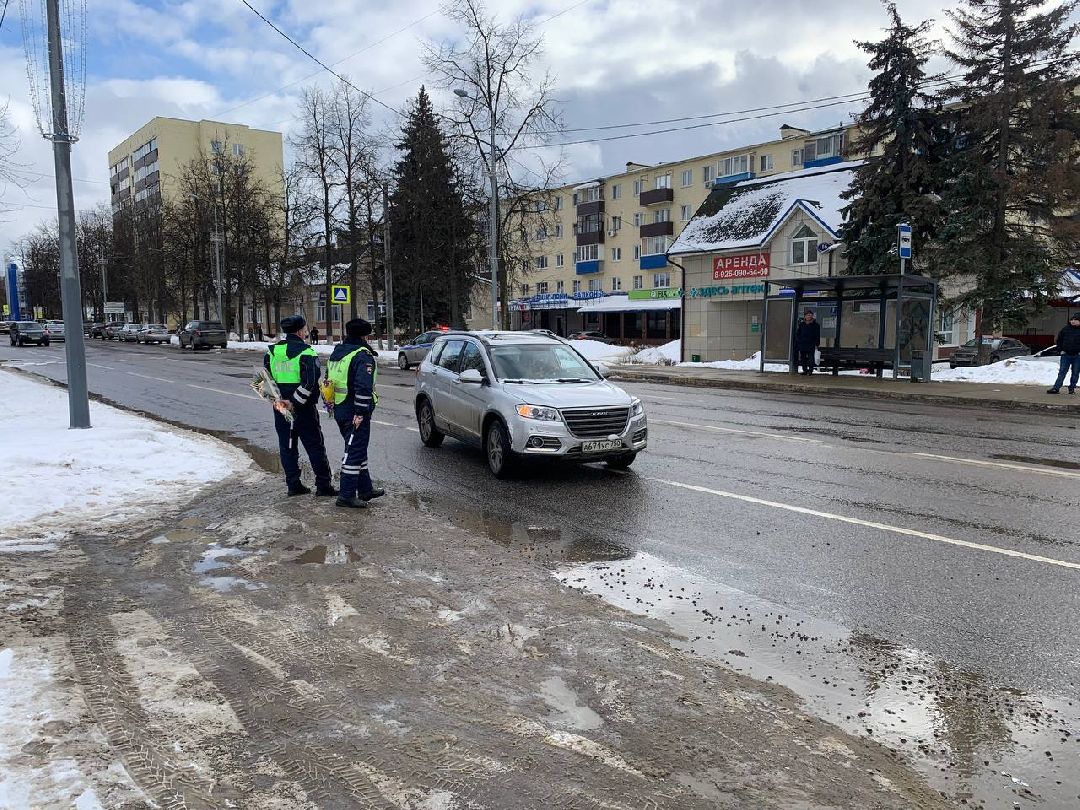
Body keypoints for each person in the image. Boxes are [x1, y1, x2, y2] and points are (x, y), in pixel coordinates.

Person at [265, 315, 337, 497]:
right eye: (305, 329)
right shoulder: (307, 353)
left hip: (280, 407)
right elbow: (310, 383)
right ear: (300, 331)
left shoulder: (271, 353)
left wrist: (279, 400)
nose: (306, 332)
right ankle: (323, 485)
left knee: (287, 447)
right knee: (315, 446)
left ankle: (293, 484)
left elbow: (266, 381)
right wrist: (294, 403)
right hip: (303, 410)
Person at [326, 318, 385, 509]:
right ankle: (346, 495)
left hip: (340, 408)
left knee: (356, 448)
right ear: (364, 335)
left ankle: (365, 488)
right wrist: (360, 412)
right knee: (353, 452)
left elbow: (327, 380)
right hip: (354, 411)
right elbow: (363, 387)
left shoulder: (338, 352)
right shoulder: (362, 355)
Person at [1047, 312, 1080, 395]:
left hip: (1077, 356)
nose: (1073, 321)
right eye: (1071, 320)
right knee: (1062, 371)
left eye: (1075, 320)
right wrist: (1060, 350)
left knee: (1075, 372)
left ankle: (1072, 388)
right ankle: (1056, 388)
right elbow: (1059, 340)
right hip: (1066, 355)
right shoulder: (1065, 329)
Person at [795, 309, 821, 375]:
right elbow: (798, 334)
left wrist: (817, 343)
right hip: (803, 344)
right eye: (807, 315)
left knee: (811, 358)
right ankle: (805, 370)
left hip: (811, 344)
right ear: (805, 316)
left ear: (812, 316)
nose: (809, 316)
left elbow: (817, 335)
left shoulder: (815, 325)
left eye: (810, 315)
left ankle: (810, 370)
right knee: (803, 358)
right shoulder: (802, 324)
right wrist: (799, 341)